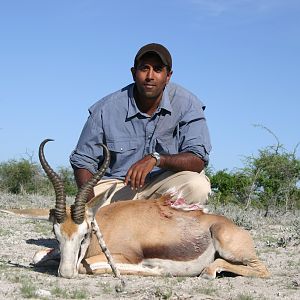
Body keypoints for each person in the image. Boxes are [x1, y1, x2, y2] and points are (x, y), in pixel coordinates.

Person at [70, 43, 212, 206]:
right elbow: (83, 161)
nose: (150, 76)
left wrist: (157, 159)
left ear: (168, 76)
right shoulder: (105, 109)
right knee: (95, 205)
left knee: (197, 186)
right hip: (119, 186)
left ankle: (166, 229)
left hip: (163, 187)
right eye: (144, 68)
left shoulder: (187, 104)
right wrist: (90, 211)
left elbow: (198, 158)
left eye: (158, 69)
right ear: (133, 73)